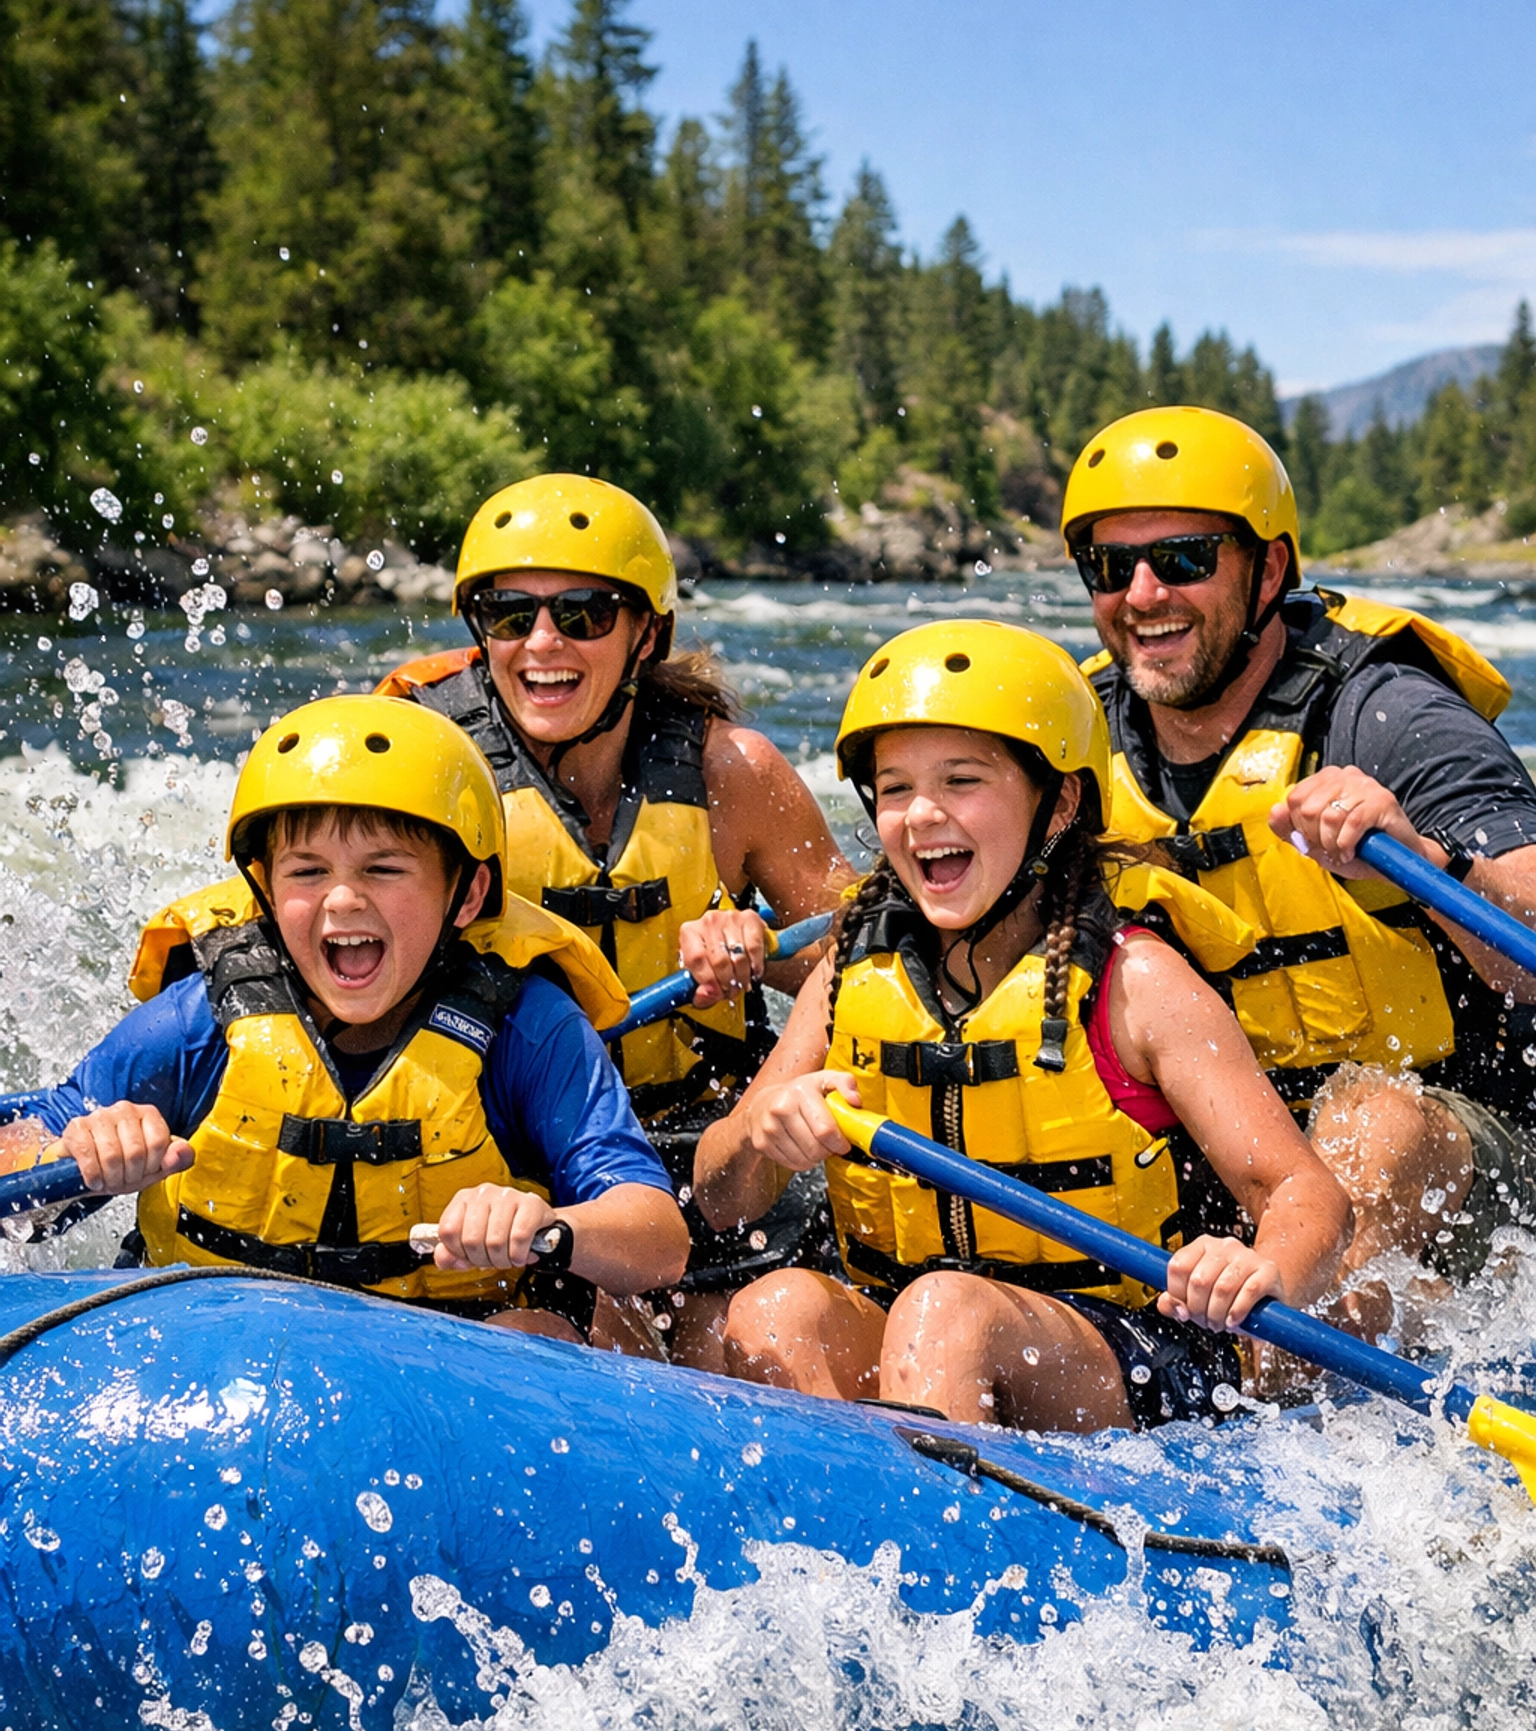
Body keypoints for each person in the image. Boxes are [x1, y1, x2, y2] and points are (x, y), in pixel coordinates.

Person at [691, 621, 1350, 1434]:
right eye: (894, 788)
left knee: (946, 1314)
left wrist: (1261, 1266)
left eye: (962, 781)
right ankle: (854, 1536)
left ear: (1060, 801)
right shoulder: (850, 973)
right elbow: (720, 1201)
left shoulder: (1137, 980)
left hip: (1133, 1348)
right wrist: (760, 1131)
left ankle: (945, 1540)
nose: (921, 815)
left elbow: (1306, 1192)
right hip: (918, 1329)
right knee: (776, 1305)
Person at [1060, 406, 1536, 1338]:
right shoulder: (1075, 738)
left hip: (1461, 1139)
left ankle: (1289, 1367)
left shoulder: (1389, 715)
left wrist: (1427, 857)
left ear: (1268, 570)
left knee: (1373, 1122)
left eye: (1187, 559)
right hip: (1237, 1140)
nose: (1145, 594)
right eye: (1112, 568)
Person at [5, 697, 689, 1336]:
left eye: (383, 869)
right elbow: (20, 1166)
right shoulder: (198, 1024)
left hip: (451, 1356)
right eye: (306, 872)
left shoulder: (530, 1031)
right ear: (265, 891)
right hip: (217, 1348)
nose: (341, 902)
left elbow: (658, 1237)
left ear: (469, 892)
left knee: (535, 1330)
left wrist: (552, 1225)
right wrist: (82, 1149)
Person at [366, 472, 852, 1365]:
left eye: (584, 614)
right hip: (513, 1157)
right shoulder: (422, 777)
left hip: (696, 1146)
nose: (542, 644)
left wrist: (757, 962)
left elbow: (866, 949)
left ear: (646, 636)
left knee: (739, 1349)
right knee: (566, 1346)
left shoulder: (730, 772)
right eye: (510, 614)